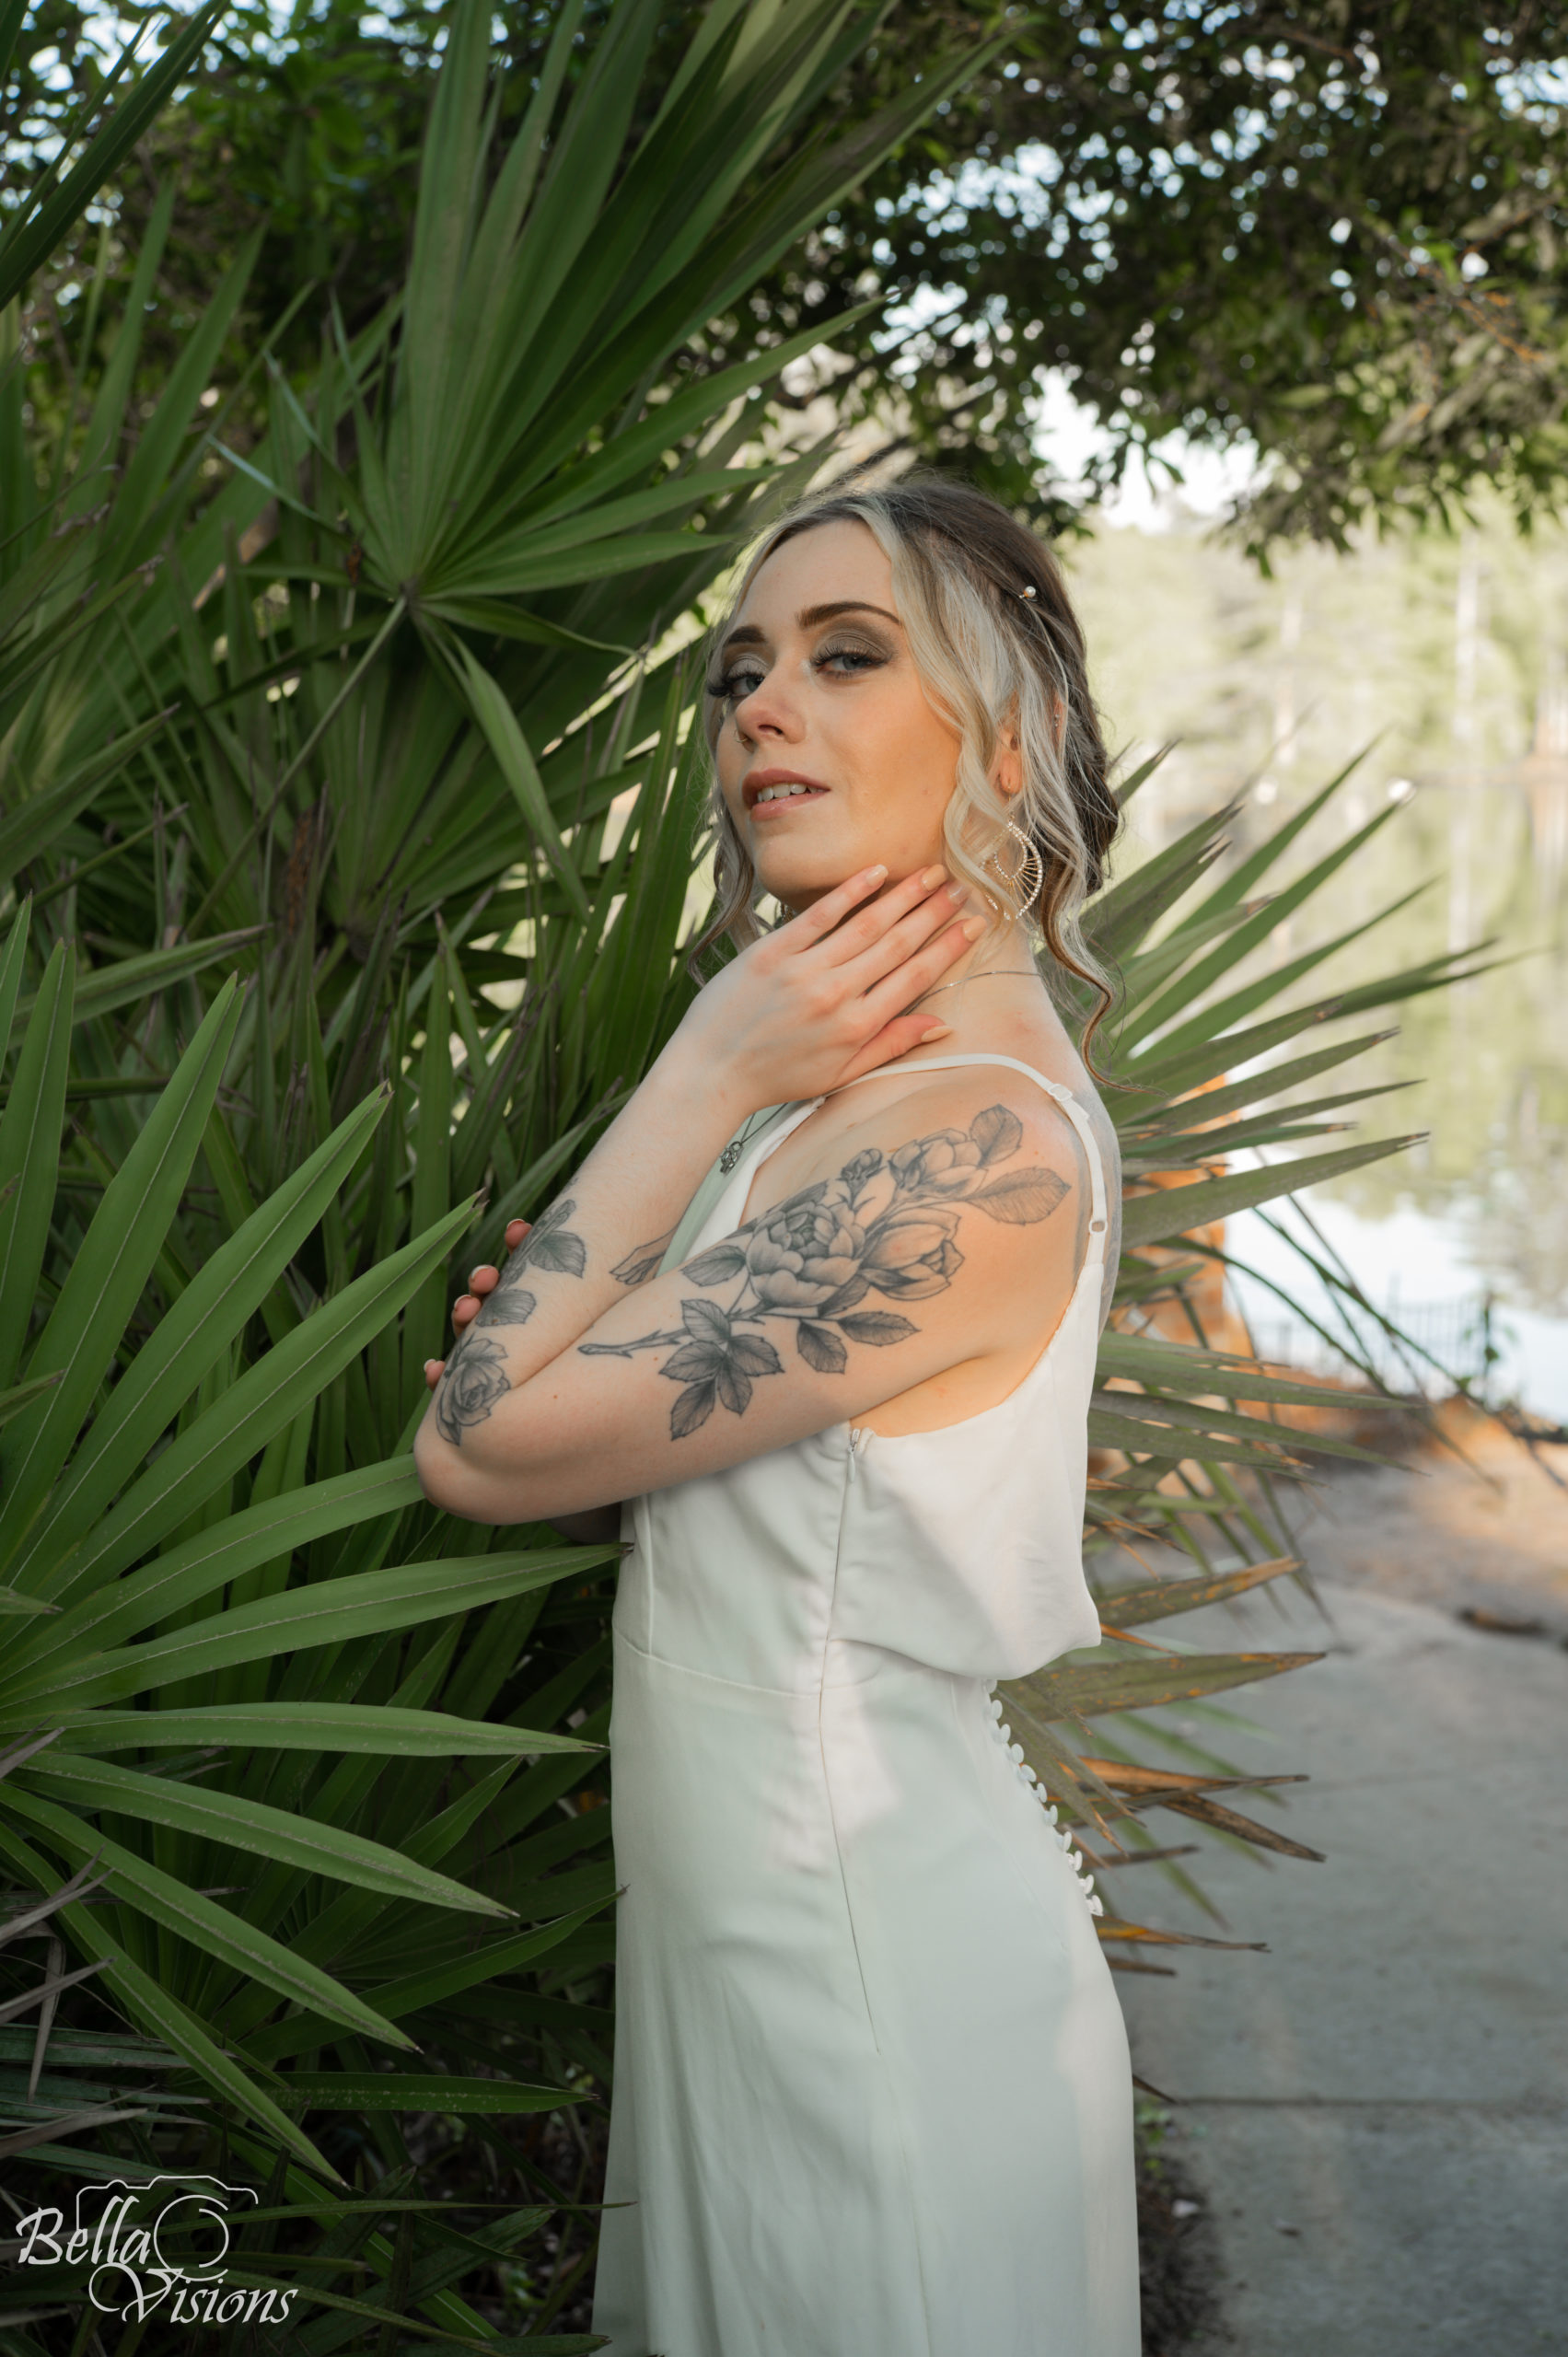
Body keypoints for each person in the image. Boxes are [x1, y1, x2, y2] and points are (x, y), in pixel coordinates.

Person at [414, 478, 1140, 2356]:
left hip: (868, 1987)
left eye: (847, 654)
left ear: (1012, 738)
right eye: (741, 667)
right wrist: (591, 1398)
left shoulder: (976, 1149)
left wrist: (700, 1066)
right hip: (749, 1948)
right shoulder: (846, 1109)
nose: (760, 706)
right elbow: (610, 1462)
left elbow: (470, 1446)